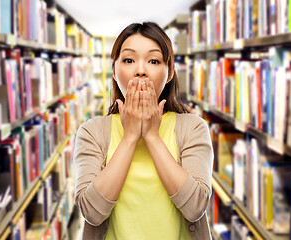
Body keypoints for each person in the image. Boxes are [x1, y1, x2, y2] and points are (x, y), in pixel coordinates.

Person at [74, 22, 214, 240]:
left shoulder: (193, 127)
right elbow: (92, 212)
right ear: (114, 71)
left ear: (169, 73)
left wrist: (150, 135)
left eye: (154, 61)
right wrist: (130, 137)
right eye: (129, 60)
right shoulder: (91, 132)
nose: (141, 70)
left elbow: (196, 206)